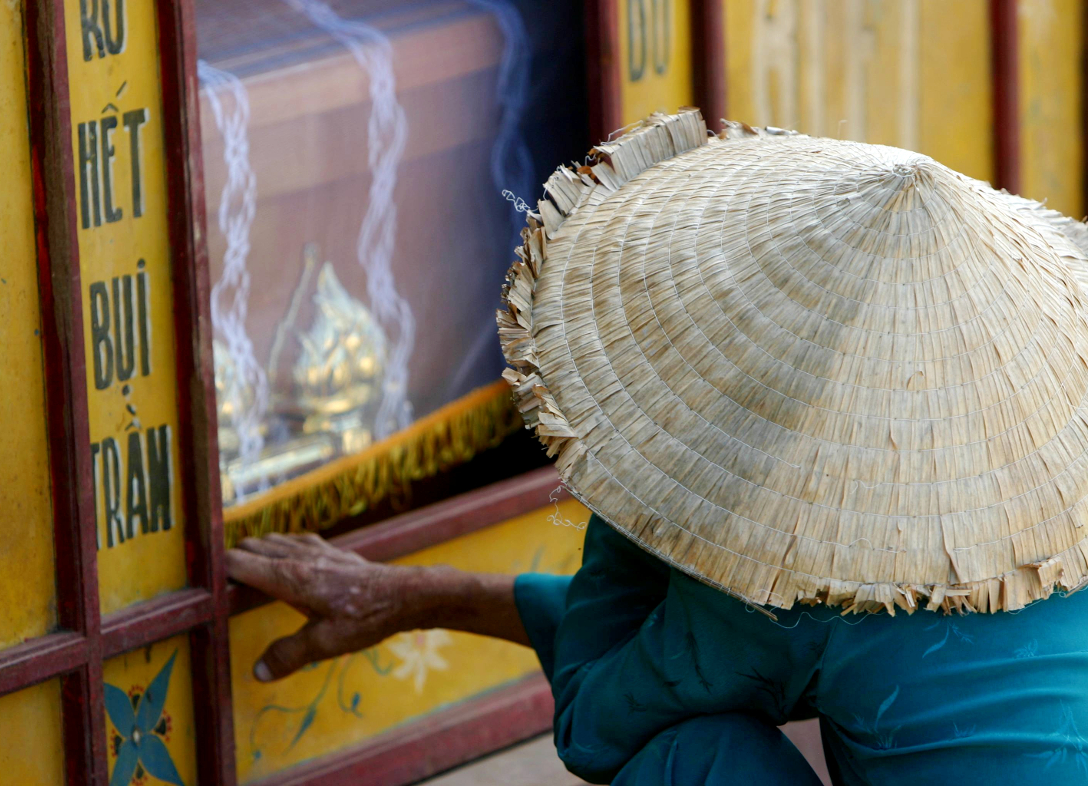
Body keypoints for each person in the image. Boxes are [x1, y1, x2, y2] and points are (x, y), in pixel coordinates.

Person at [228, 111, 1088, 784]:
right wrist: (413, 597)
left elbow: (599, 720)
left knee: (683, 757)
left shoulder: (829, 573)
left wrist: (631, 463)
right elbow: (689, 638)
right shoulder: (1058, 523)